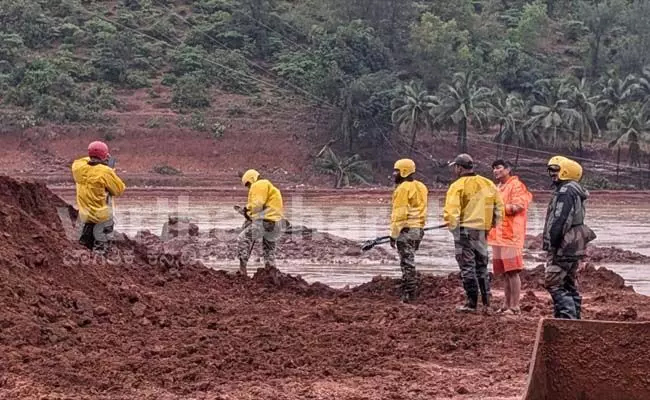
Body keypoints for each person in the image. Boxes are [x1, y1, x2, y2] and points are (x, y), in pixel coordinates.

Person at [444, 154, 504, 313]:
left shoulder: (457, 186)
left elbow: (452, 213)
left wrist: (454, 230)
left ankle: (471, 302)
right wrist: (491, 226)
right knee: (481, 266)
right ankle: (486, 301)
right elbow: (499, 208)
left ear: (459, 167)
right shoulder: (488, 184)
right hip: (482, 230)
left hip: (464, 230)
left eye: (455, 167)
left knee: (467, 266)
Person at [543, 156, 596, 319]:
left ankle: (567, 320)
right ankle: (572, 321)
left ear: (566, 172)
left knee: (553, 281)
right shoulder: (573, 189)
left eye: (555, 170)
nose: (552, 173)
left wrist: (552, 242)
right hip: (575, 242)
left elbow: (560, 219)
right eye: (550, 170)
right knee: (568, 283)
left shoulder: (565, 191)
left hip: (564, 243)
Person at [488, 160, 533, 315]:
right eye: (494, 168)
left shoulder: (517, 186)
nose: (496, 171)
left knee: (513, 271)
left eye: (499, 168)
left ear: (508, 169)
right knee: (505, 273)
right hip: (498, 236)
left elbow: (518, 206)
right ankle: (506, 304)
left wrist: (496, 209)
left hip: (511, 235)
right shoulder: (497, 188)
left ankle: (515, 306)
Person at [72, 141, 126, 253]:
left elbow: (85, 160)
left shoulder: (77, 167)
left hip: (85, 216)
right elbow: (119, 189)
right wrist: (109, 168)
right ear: (104, 155)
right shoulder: (105, 172)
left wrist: (99, 157)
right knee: (102, 249)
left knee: (85, 247)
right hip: (102, 217)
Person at [390, 159, 428, 303]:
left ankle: (409, 293)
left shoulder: (402, 189)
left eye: (396, 171)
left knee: (407, 262)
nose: (394, 174)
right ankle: (409, 289)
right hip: (418, 229)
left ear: (404, 171)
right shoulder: (421, 187)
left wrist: (393, 234)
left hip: (406, 230)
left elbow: (399, 214)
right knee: (410, 259)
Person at [238, 169, 284, 276]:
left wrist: (246, 210)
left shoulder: (259, 184)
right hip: (276, 223)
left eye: (248, 184)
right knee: (269, 250)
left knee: (243, 238)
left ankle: (242, 271)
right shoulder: (271, 187)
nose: (249, 187)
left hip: (265, 221)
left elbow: (257, 205)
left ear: (252, 179)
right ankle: (271, 273)